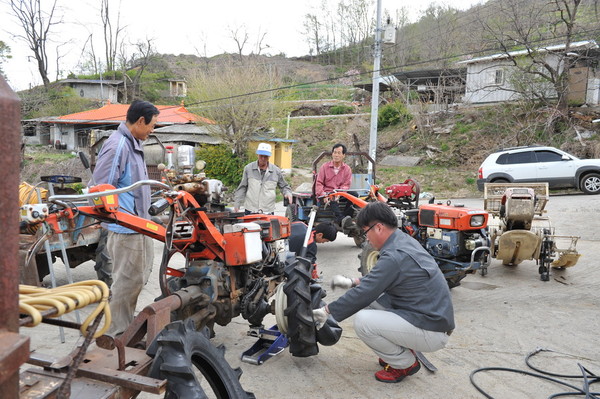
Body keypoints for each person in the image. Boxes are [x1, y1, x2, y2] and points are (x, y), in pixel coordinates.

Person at [312, 201, 454, 383]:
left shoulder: (394, 256)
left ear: (378, 228)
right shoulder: (402, 241)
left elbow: (365, 292)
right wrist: (352, 282)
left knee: (364, 322)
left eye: (365, 233)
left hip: (432, 330)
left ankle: (404, 363)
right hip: (429, 316)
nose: (366, 239)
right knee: (373, 300)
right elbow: (377, 282)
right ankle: (398, 350)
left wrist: (326, 312)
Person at [92, 100, 159, 338]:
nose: (153, 130)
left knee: (137, 280)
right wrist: (119, 217)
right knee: (125, 283)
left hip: (139, 227)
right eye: (152, 125)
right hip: (125, 229)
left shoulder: (134, 144)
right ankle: (115, 335)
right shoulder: (118, 146)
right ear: (140, 121)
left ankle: (125, 326)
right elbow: (100, 189)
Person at [234, 142, 293, 214]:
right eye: (261, 156)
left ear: (269, 157)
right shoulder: (248, 168)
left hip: (268, 211)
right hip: (250, 210)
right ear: (257, 155)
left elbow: (284, 186)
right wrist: (237, 203)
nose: (263, 158)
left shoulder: (276, 171)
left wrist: (287, 193)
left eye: (266, 156)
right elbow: (242, 187)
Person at [314, 143, 355, 228]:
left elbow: (346, 184)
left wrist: (340, 193)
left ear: (343, 155)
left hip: (340, 193)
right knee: (332, 197)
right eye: (335, 152)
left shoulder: (347, 169)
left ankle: (346, 218)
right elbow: (319, 183)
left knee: (354, 195)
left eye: (339, 153)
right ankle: (341, 220)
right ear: (332, 154)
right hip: (327, 194)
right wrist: (323, 194)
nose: (336, 155)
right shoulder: (324, 167)